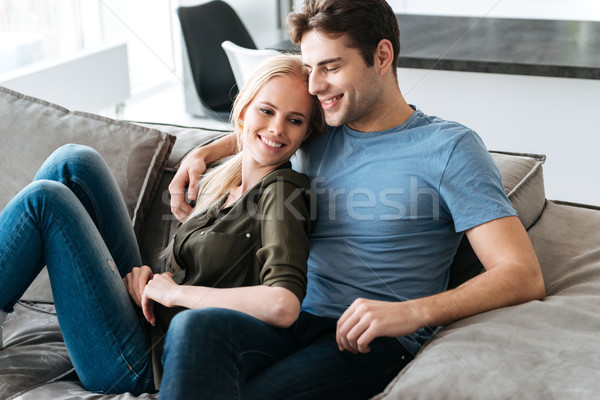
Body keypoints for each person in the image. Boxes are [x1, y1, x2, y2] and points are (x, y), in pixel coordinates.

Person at [164, 0, 546, 398]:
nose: (314, 87)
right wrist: (204, 152)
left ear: (381, 56)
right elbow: (268, 126)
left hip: (371, 341)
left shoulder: (449, 148)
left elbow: (522, 274)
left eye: (330, 68)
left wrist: (411, 311)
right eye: (310, 70)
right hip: (289, 321)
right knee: (193, 327)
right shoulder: (321, 129)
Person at [0, 54, 324, 395]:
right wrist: (150, 280)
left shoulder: (283, 191)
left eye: (295, 120)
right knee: (75, 162)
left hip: (140, 361)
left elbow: (283, 303)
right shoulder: (228, 181)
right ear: (243, 111)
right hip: (144, 315)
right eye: (267, 110)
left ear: (306, 133)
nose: (277, 128)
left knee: (46, 202)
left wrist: (175, 293)